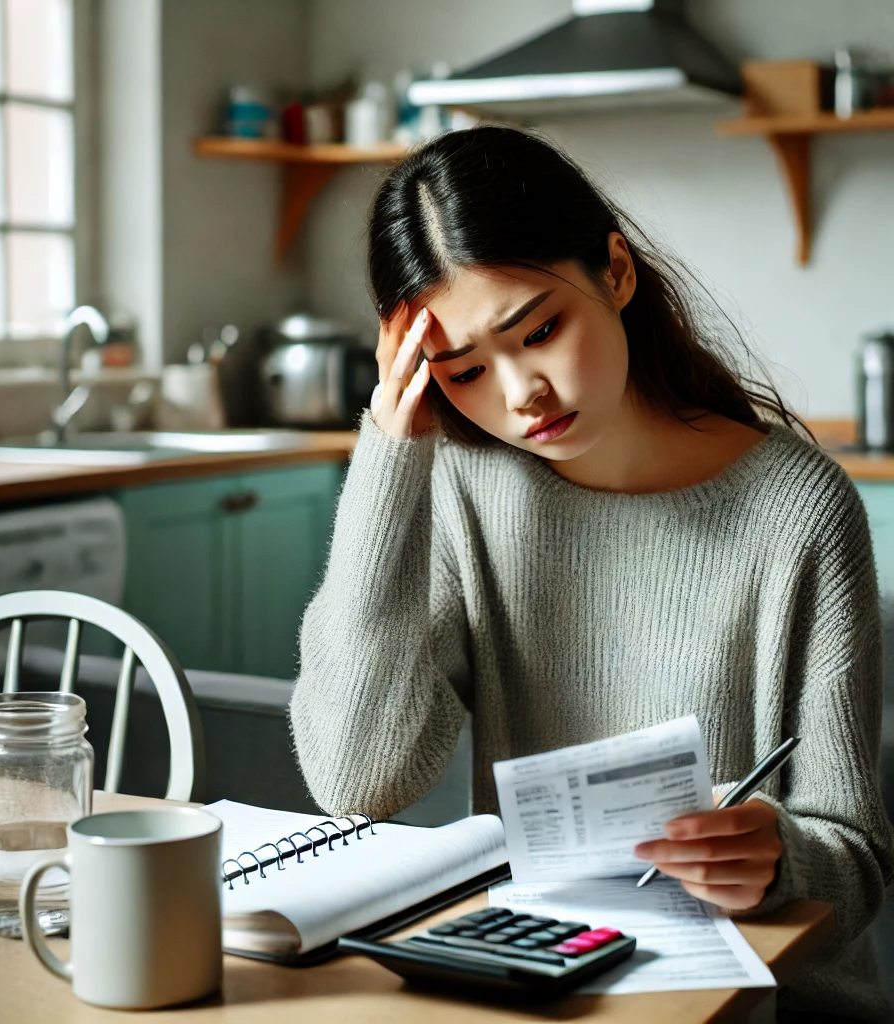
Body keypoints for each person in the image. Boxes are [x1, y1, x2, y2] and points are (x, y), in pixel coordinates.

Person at [289, 126, 893, 1021]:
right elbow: (358, 778)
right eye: (461, 369)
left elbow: (859, 862)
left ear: (615, 271)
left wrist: (779, 857)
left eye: (538, 329)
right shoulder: (468, 488)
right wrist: (389, 455)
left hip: (760, 999)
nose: (520, 391)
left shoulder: (798, 509)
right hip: (548, 983)